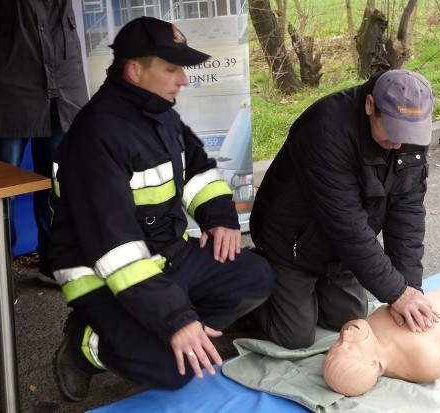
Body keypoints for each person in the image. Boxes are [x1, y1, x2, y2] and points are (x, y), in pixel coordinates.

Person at [48, 16, 274, 402]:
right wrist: (176, 320)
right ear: (135, 70)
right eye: (171, 68)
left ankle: (160, 328)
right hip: (102, 274)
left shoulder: (159, 114)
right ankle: (87, 345)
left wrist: (219, 219)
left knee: (255, 277)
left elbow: (198, 171)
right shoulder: (96, 135)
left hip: (166, 256)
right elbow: (114, 249)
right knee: (172, 370)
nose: (183, 79)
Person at [249, 69, 440, 350]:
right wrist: (396, 292)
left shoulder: (410, 133)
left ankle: (314, 290)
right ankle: (250, 274)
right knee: (295, 337)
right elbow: (344, 222)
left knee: (350, 321)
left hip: (342, 250)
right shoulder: (325, 127)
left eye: (408, 134)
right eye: (392, 131)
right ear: (370, 106)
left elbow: (407, 212)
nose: (399, 143)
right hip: (291, 244)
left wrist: (410, 287)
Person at [0, 0, 90, 303]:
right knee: (0, 191)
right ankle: (1, 272)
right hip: (8, 82)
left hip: (62, 79)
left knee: (57, 181)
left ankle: (54, 262)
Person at [322, 287, 440, 396]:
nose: (346, 336)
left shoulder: (365, 330)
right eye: (351, 348)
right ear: (373, 363)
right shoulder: (422, 361)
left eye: (337, 345)